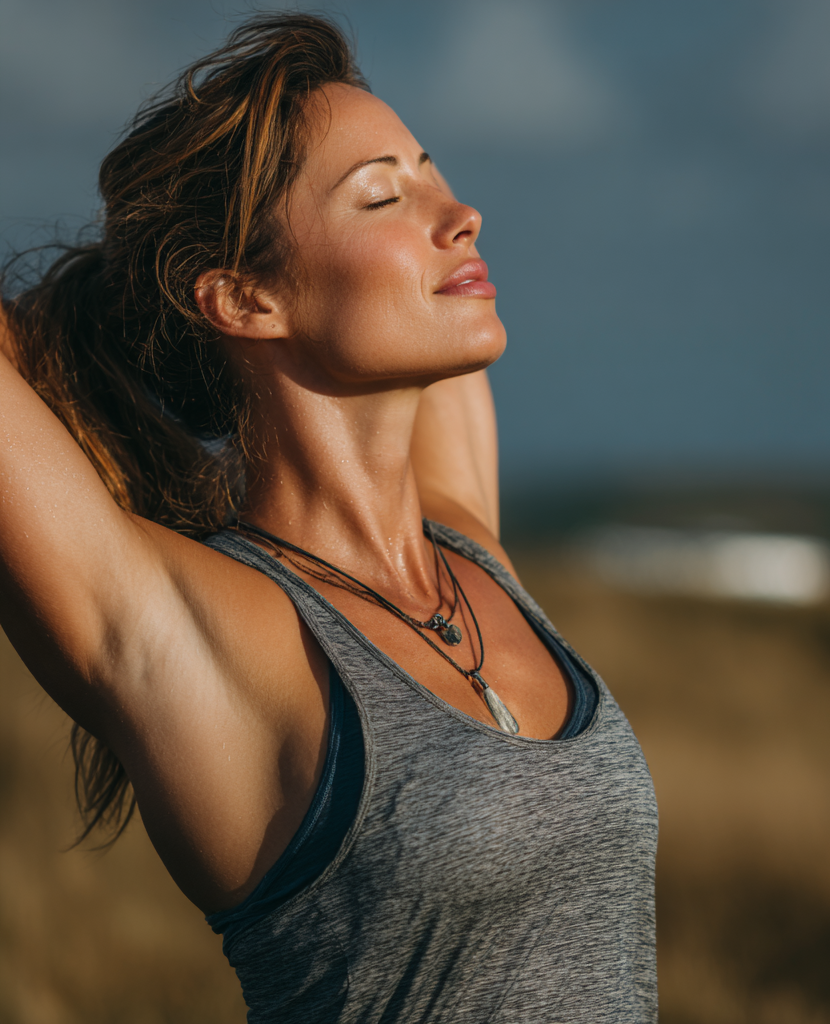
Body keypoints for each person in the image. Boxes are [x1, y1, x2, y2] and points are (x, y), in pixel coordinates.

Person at [0, 13, 658, 1022]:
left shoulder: (466, 541)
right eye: (384, 195)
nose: (461, 213)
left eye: (431, 170)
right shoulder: (196, 636)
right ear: (245, 299)